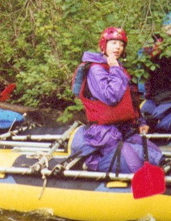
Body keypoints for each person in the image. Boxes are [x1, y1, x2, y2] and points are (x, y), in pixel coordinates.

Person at [69, 27, 163, 174]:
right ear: (104, 45)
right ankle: (89, 163)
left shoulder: (118, 68)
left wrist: (140, 122)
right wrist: (115, 68)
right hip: (103, 132)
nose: (117, 47)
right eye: (113, 43)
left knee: (156, 156)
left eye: (121, 44)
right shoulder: (96, 69)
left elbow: (131, 100)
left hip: (124, 128)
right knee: (135, 167)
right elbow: (110, 97)